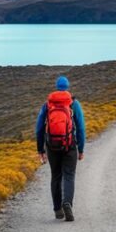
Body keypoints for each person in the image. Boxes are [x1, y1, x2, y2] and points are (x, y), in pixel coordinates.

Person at [36, 75, 86, 222]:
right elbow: (81, 128)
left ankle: (57, 209)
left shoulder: (47, 104)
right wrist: (81, 149)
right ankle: (67, 203)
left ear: (56, 87)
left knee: (56, 176)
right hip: (69, 145)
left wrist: (41, 150)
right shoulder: (73, 103)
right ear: (68, 87)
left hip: (51, 146)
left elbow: (39, 129)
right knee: (69, 175)